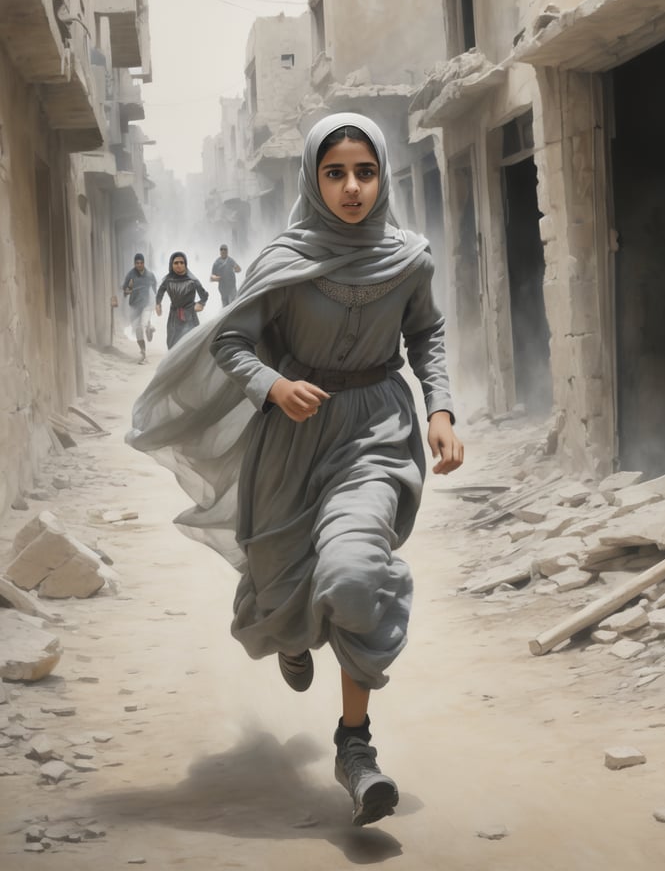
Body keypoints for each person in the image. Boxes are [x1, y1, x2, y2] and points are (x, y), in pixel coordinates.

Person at [127, 113, 464, 828]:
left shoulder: (409, 258)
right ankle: (288, 633)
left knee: (352, 574)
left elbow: (425, 334)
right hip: (292, 438)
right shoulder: (282, 259)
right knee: (280, 589)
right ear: (314, 178)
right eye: (335, 172)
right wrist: (273, 387)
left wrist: (440, 411)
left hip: (374, 432)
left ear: (383, 179)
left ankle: (354, 747)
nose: (350, 187)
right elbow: (234, 344)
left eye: (365, 172)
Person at [154, 252, 209, 349]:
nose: (179, 265)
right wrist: (158, 304)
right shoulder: (168, 280)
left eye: (181, 262)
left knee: (190, 344)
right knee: (172, 344)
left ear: (185, 264)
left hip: (189, 316)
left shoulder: (192, 280)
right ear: (171, 264)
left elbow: (204, 295)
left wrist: (201, 304)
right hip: (174, 316)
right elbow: (160, 292)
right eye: (176, 263)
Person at [121, 253, 157, 364]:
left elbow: (155, 287)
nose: (139, 265)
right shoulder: (130, 275)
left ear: (144, 263)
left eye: (141, 263)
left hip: (147, 305)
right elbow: (125, 290)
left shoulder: (150, 275)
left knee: (141, 326)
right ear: (134, 263)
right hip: (134, 305)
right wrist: (129, 289)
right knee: (137, 330)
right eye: (137, 263)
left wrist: (156, 302)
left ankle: (144, 355)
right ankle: (143, 349)